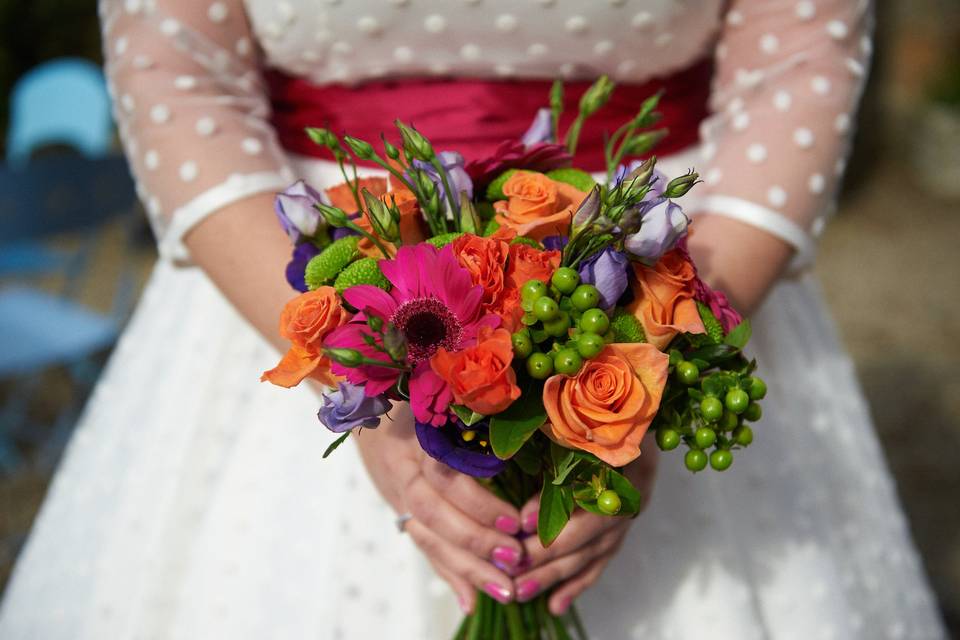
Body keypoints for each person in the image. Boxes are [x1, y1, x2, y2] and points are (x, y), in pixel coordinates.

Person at [0, 1, 948, 638]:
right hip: (294, 269)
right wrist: (363, 374)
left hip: (675, 250)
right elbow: (177, 79)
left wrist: (649, 360)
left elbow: (799, 65)